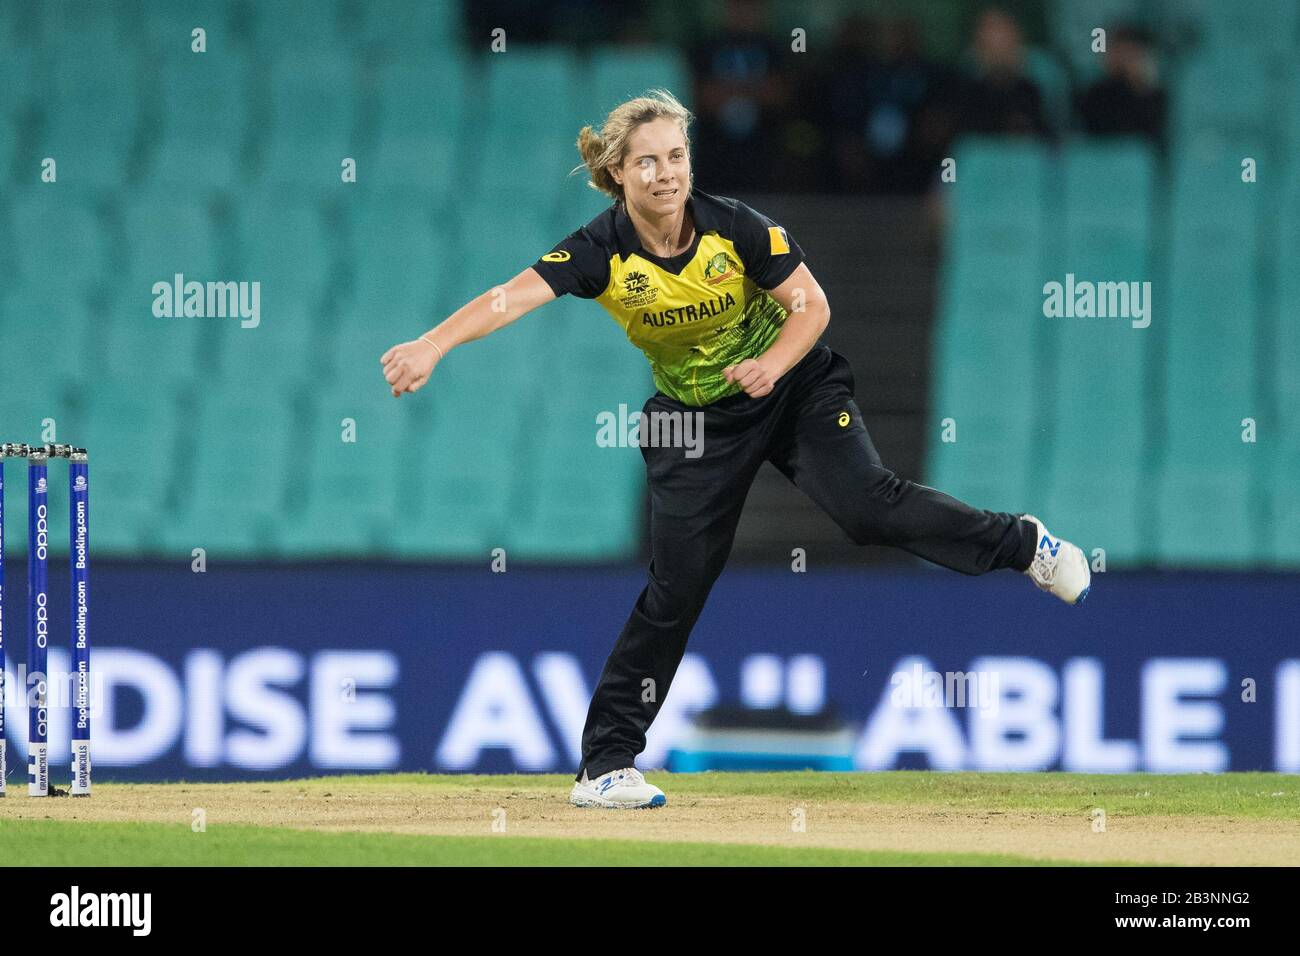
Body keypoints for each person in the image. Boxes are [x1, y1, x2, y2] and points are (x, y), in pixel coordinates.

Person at [380, 90, 1090, 809]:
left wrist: (772, 366)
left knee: (868, 508)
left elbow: (812, 306)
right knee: (677, 588)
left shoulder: (736, 227)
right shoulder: (599, 249)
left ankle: (1022, 544)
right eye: (648, 162)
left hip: (792, 387)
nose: (666, 174)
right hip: (693, 424)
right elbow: (509, 297)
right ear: (619, 174)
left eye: (677, 157)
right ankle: (605, 768)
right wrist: (432, 343)